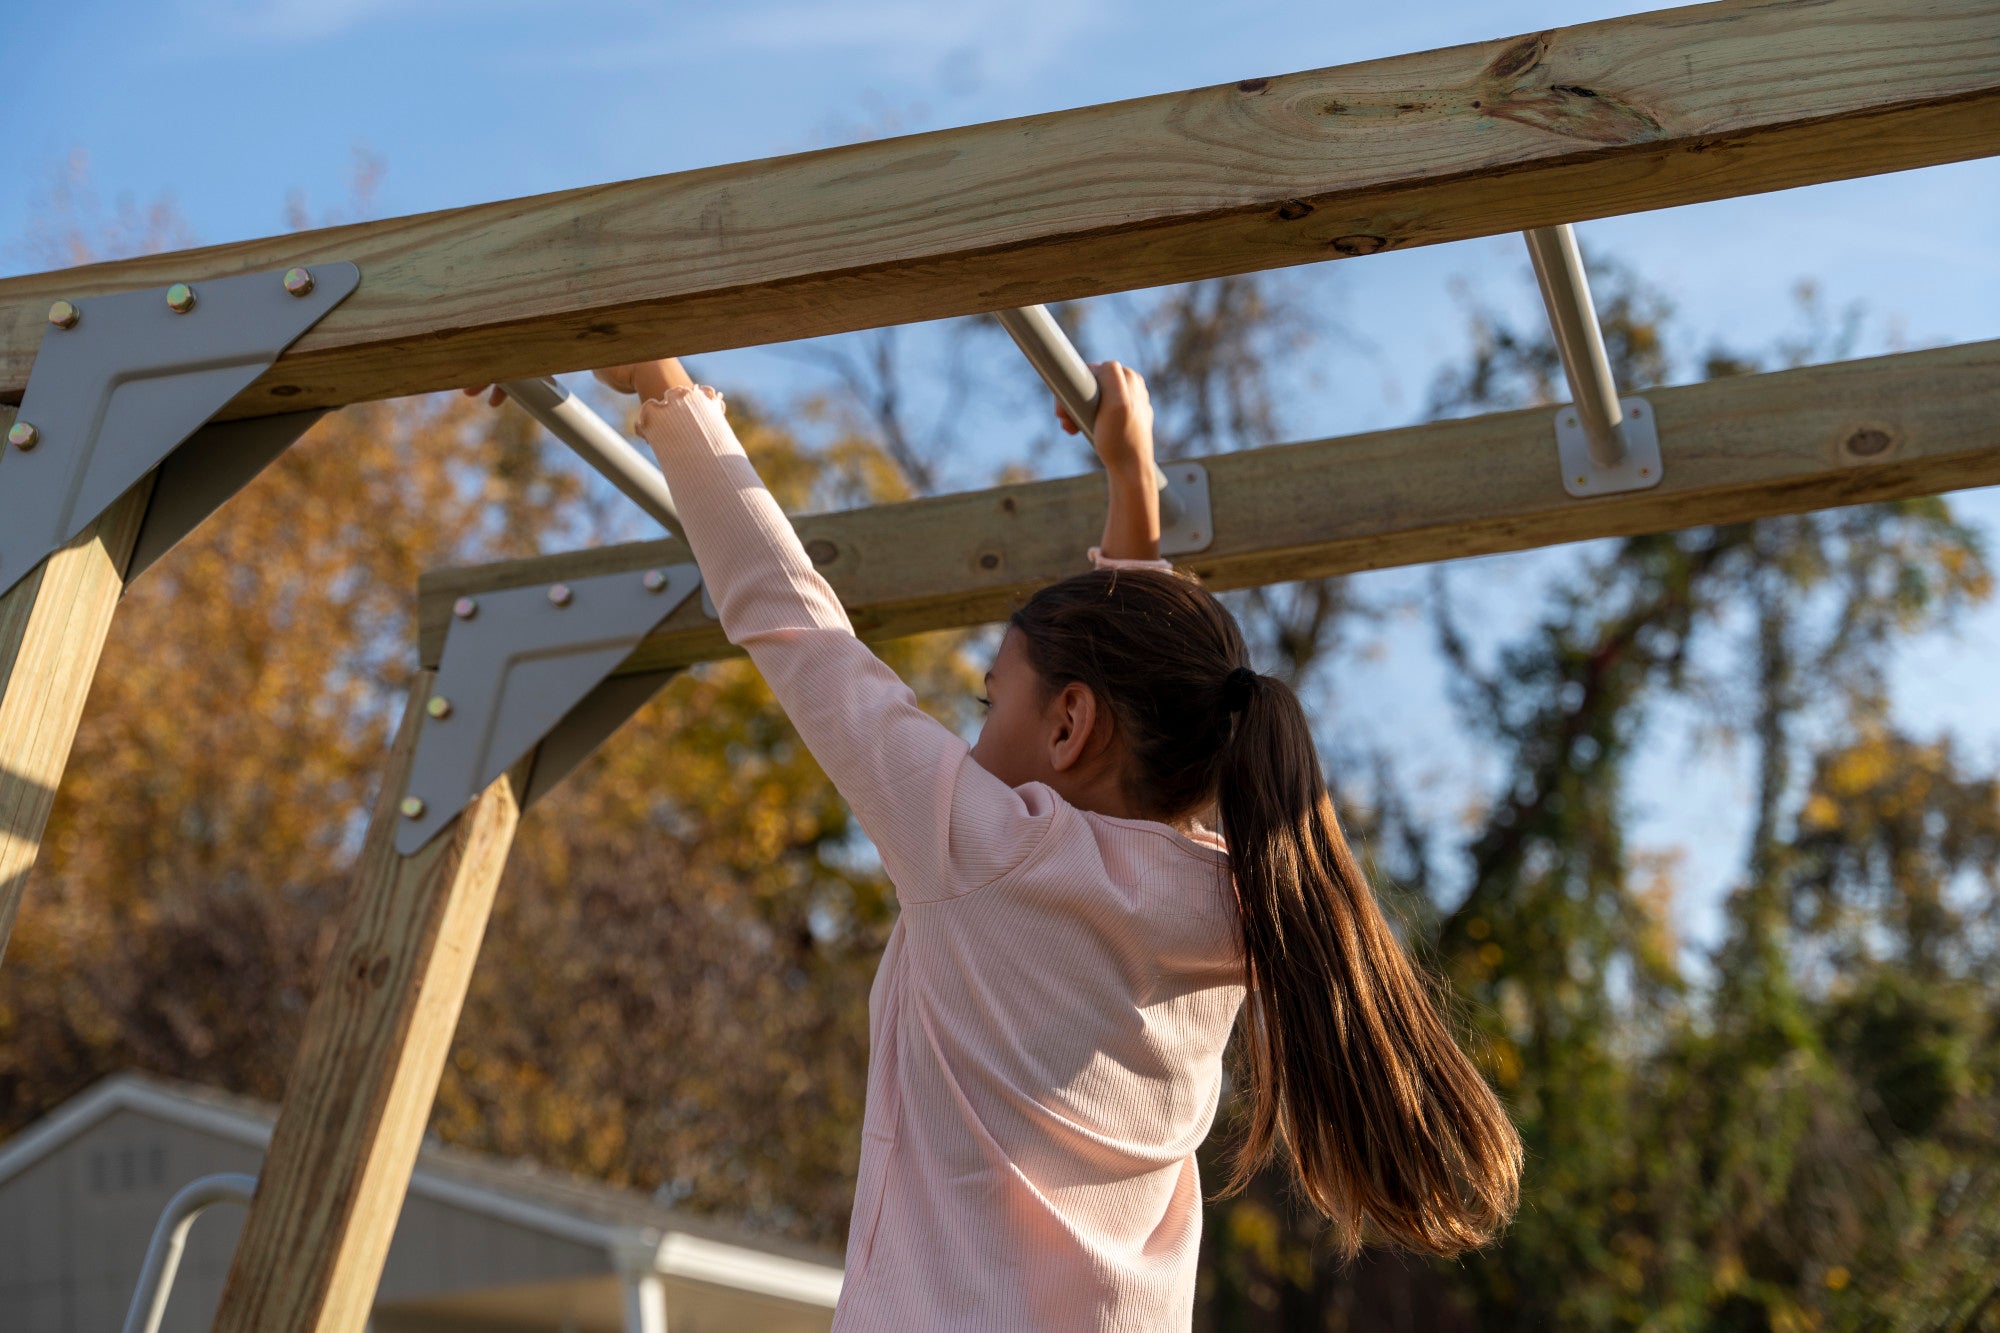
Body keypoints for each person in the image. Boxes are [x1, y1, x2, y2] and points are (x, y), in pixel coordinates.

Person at [474, 357, 1520, 1329]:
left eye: (990, 702)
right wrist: (1131, 486)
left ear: (1068, 726)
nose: (972, 739)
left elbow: (796, 626)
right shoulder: (1238, 911)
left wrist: (666, 389)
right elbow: (1146, 712)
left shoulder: (988, 853)